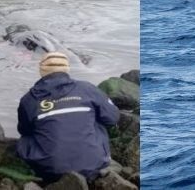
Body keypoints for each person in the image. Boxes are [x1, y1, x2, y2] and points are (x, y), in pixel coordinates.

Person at [16, 51, 120, 182]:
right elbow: (113, 117)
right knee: (98, 119)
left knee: (24, 139)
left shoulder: (28, 99)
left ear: (41, 70)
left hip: (50, 170)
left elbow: (24, 130)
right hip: (93, 165)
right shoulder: (87, 88)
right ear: (67, 69)